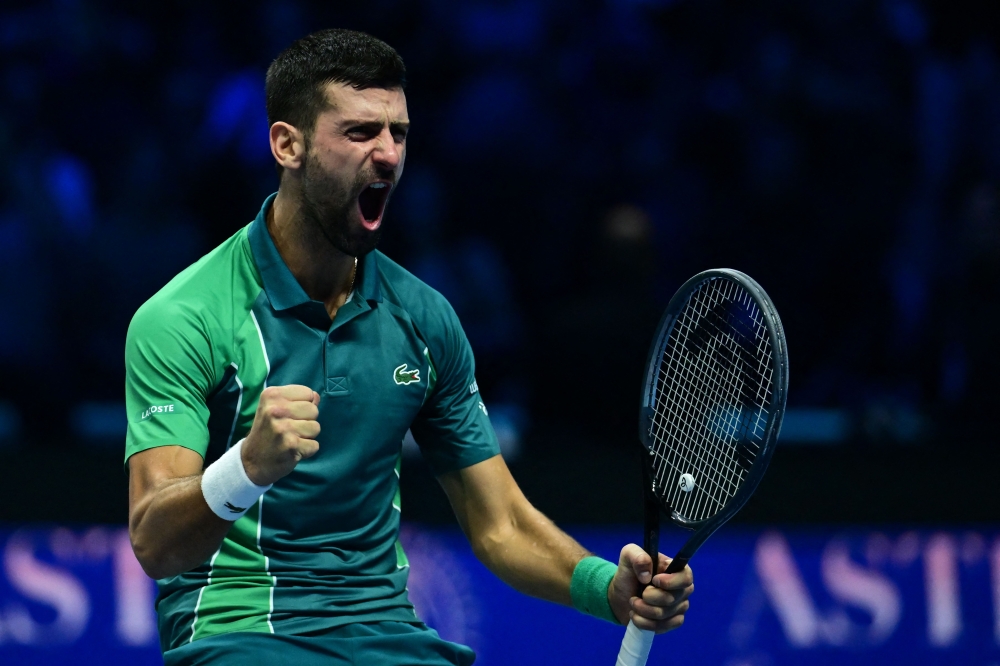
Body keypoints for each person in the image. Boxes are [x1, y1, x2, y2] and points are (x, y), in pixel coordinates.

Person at [125, 29, 693, 665]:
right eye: (361, 132)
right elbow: (155, 543)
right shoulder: (185, 317)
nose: (389, 155)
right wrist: (245, 467)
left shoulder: (425, 318)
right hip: (241, 634)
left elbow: (499, 522)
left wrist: (604, 588)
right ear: (288, 144)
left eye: (399, 132)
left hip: (386, 637)